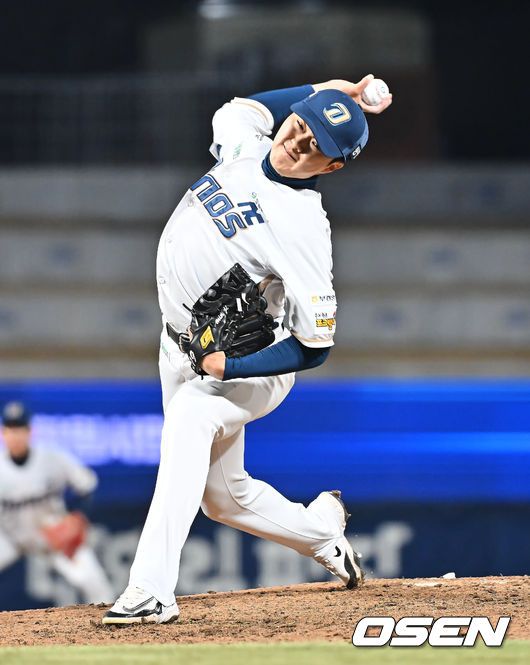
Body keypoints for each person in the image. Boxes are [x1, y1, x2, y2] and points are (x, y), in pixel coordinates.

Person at [103, 75, 392, 624]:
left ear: (332, 167)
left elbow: (315, 346)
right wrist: (327, 89)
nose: (297, 142)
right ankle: (322, 534)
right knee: (223, 497)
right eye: (300, 124)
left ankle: (150, 591)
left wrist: (231, 366)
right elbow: (247, 107)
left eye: (316, 147)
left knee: (191, 416)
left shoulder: (304, 227)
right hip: (179, 349)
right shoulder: (245, 143)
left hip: (249, 368)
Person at [0, 401, 114, 605]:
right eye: (10, 430)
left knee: (93, 582)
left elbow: (86, 485)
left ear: (30, 431)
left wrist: (76, 516)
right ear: (3, 433)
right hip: (10, 536)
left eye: (20, 429)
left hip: (53, 534)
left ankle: (111, 623)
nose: (15, 435)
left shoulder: (52, 458)